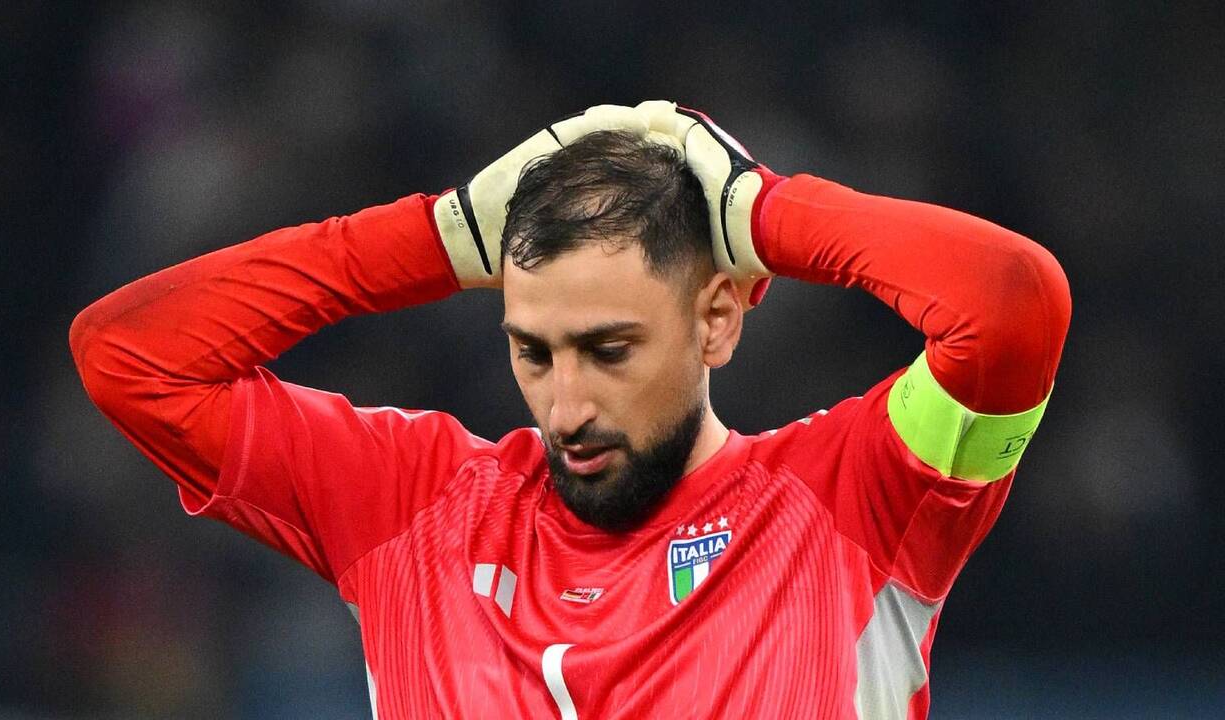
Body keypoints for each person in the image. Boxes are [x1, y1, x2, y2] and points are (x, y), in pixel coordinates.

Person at [70, 101, 1070, 718]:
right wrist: (435, 238)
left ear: (717, 319)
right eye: (533, 352)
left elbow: (1011, 304)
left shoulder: (855, 500)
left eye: (608, 350)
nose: (566, 405)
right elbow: (132, 360)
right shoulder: (413, 507)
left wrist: (763, 213)